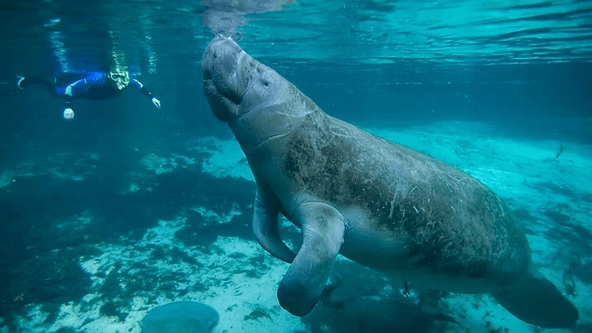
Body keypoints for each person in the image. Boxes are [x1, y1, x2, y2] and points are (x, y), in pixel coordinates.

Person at [17, 68, 161, 120]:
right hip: (82, 92)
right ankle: (31, 80)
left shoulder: (128, 81)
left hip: (92, 95)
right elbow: (71, 89)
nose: (119, 81)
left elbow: (139, 86)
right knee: (56, 92)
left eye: (122, 77)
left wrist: (152, 97)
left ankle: (59, 77)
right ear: (109, 75)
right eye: (115, 76)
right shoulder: (97, 78)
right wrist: (68, 106)